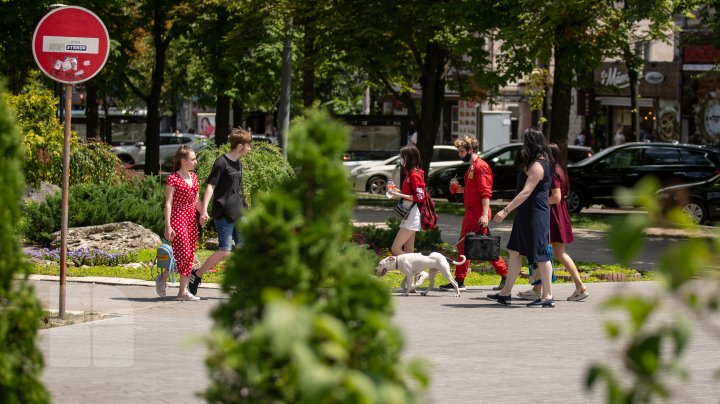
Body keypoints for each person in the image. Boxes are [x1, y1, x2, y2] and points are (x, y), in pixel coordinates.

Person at [488, 127, 554, 308]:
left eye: (525, 141)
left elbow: (526, 192)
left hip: (535, 214)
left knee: (541, 255)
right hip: (525, 214)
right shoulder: (533, 163)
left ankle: (547, 297)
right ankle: (505, 293)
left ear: (531, 143)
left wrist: (505, 210)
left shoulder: (538, 165)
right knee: (514, 251)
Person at [517, 143, 589, 302]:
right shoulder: (559, 169)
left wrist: (538, 201)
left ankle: (579, 287)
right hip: (557, 213)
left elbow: (556, 197)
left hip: (552, 214)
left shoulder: (554, 171)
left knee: (550, 251)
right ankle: (539, 288)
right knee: (554, 252)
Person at [440, 135, 508, 292]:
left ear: (470, 150)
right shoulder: (472, 167)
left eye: (462, 151)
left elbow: (485, 193)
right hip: (472, 213)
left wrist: (484, 215)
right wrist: (458, 189)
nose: (460, 155)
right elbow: (473, 190)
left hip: (478, 214)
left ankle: (505, 274)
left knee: (479, 245)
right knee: (470, 245)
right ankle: (460, 280)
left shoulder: (480, 167)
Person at [189, 128, 252, 296]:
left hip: (238, 212)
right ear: (239, 146)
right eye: (248, 145)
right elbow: (210, 186)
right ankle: (196, 275)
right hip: (223, 213)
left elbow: (236, 189)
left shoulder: (238, 163)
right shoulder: (221, 162)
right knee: (225, 250)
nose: (249, 148)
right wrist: (203, 210)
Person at [155, 145, 201, 301]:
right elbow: (168, 203)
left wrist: (203, 213)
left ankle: (182, 292)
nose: (196, 161)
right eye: (193, 159)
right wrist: (168, 225)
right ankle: (163, 279)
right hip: (178, 216)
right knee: (185, 253)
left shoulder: (194, 178)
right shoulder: (173, 178)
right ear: (183, 161)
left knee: (189, 255)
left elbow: (196, 201)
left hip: (191, 219)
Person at [387, 145, 428, 291]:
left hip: (412, 216)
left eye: (402, 156)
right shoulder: (413, 173)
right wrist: (397, 192)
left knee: (395, 248)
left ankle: (419, 273)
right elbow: (411, 193)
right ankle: (409, 285)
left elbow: (419, 197)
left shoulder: (414, 175)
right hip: (411, 215)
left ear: (408, 158)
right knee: (409, 251)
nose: (401, 159)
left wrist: (398, 195)